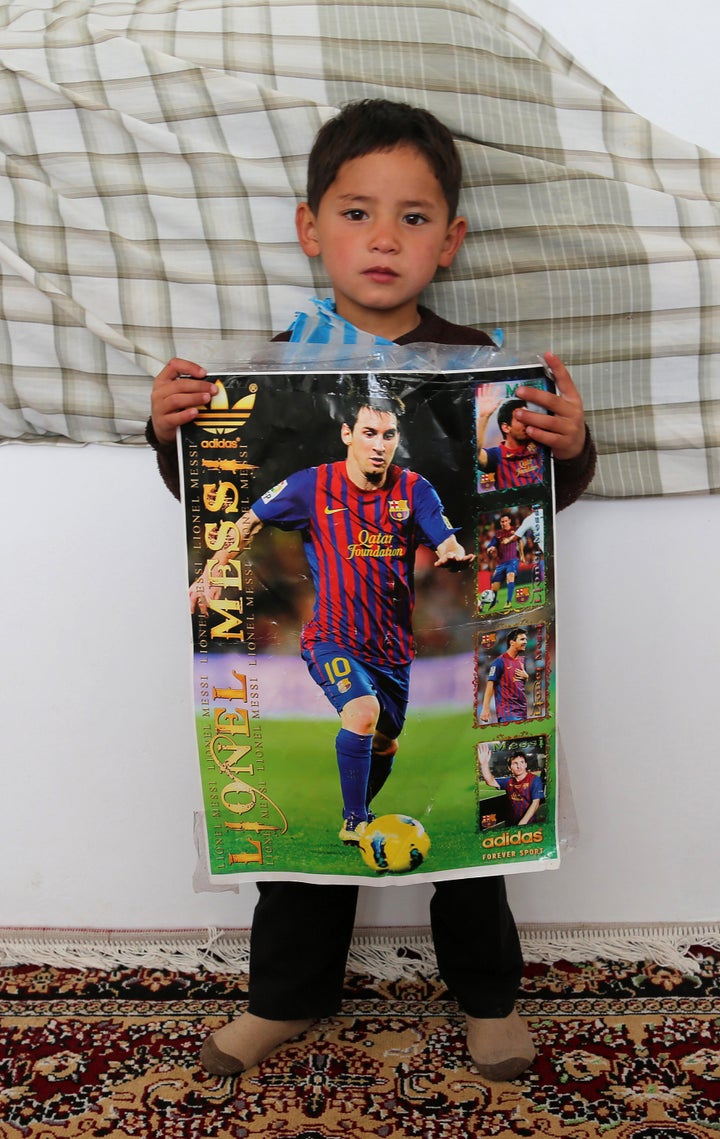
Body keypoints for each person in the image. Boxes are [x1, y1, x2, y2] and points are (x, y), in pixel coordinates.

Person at [147, 98, 596, 1084]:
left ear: (452, 239)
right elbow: (221, 497)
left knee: (472, 830)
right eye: (356, 212)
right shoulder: (271, 370)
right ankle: (284, 996)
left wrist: (568, 446)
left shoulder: (481, 364)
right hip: (331, 635)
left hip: (416, 642)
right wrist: (175, 429)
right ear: (312, 229)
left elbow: (523, 499)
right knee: (301, 858)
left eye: (413, 216)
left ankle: (489, 997)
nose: (383, 237)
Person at [190, 390, 473, 841]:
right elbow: (251, 521)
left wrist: (451, 551)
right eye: (369, 433)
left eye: (389, 434)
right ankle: (355, 823)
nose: (379, 444)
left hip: (392, 649)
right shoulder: (311, 486)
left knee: (385, 741)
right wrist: (212, 571)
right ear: (347, 435)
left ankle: (363, 809)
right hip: (332, 638)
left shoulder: (414, 488)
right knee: (362, 714)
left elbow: (443, 534)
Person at [477, 386, 544, 490]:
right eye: (520, 419)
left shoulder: (539, 444)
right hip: (514, 505)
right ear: (506, 427)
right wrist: (483, 417)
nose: (526, 422)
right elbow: (474, 454)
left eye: (527, 416)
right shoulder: (496, 455)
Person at [478, 745, 544, 826]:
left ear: (526, 765)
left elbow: (535, 804)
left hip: (527, 824)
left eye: (522, 762)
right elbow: (490, 781)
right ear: (510, 767)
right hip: (510, 823)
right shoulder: (508, 781)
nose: (519, 766)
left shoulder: (535, 780)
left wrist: (522, 824)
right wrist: (484, 764)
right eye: (515, 763)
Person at [479, 628, 529, 724]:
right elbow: (490, 684)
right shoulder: (499, 662)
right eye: (522, 639)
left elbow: (519, 683)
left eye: (526, 639)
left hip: (522, 710)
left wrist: (526, 677)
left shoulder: (522, 660)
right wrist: (485, 708)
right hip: (507, 712)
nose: (525, 642)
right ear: (512, 642)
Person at [485, 512, 521, 608]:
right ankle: (493, 602)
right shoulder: (498, 534)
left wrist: (522, 556)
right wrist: (491, 548)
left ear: (509, 521)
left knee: (510, 577)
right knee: (494, 587)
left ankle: (508, 602)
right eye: (502, 522)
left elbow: (520, 541)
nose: (504, 523)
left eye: (505, 521)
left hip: (512, 560)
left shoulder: (516, 531)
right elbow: (492, 544)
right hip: (501, 563)